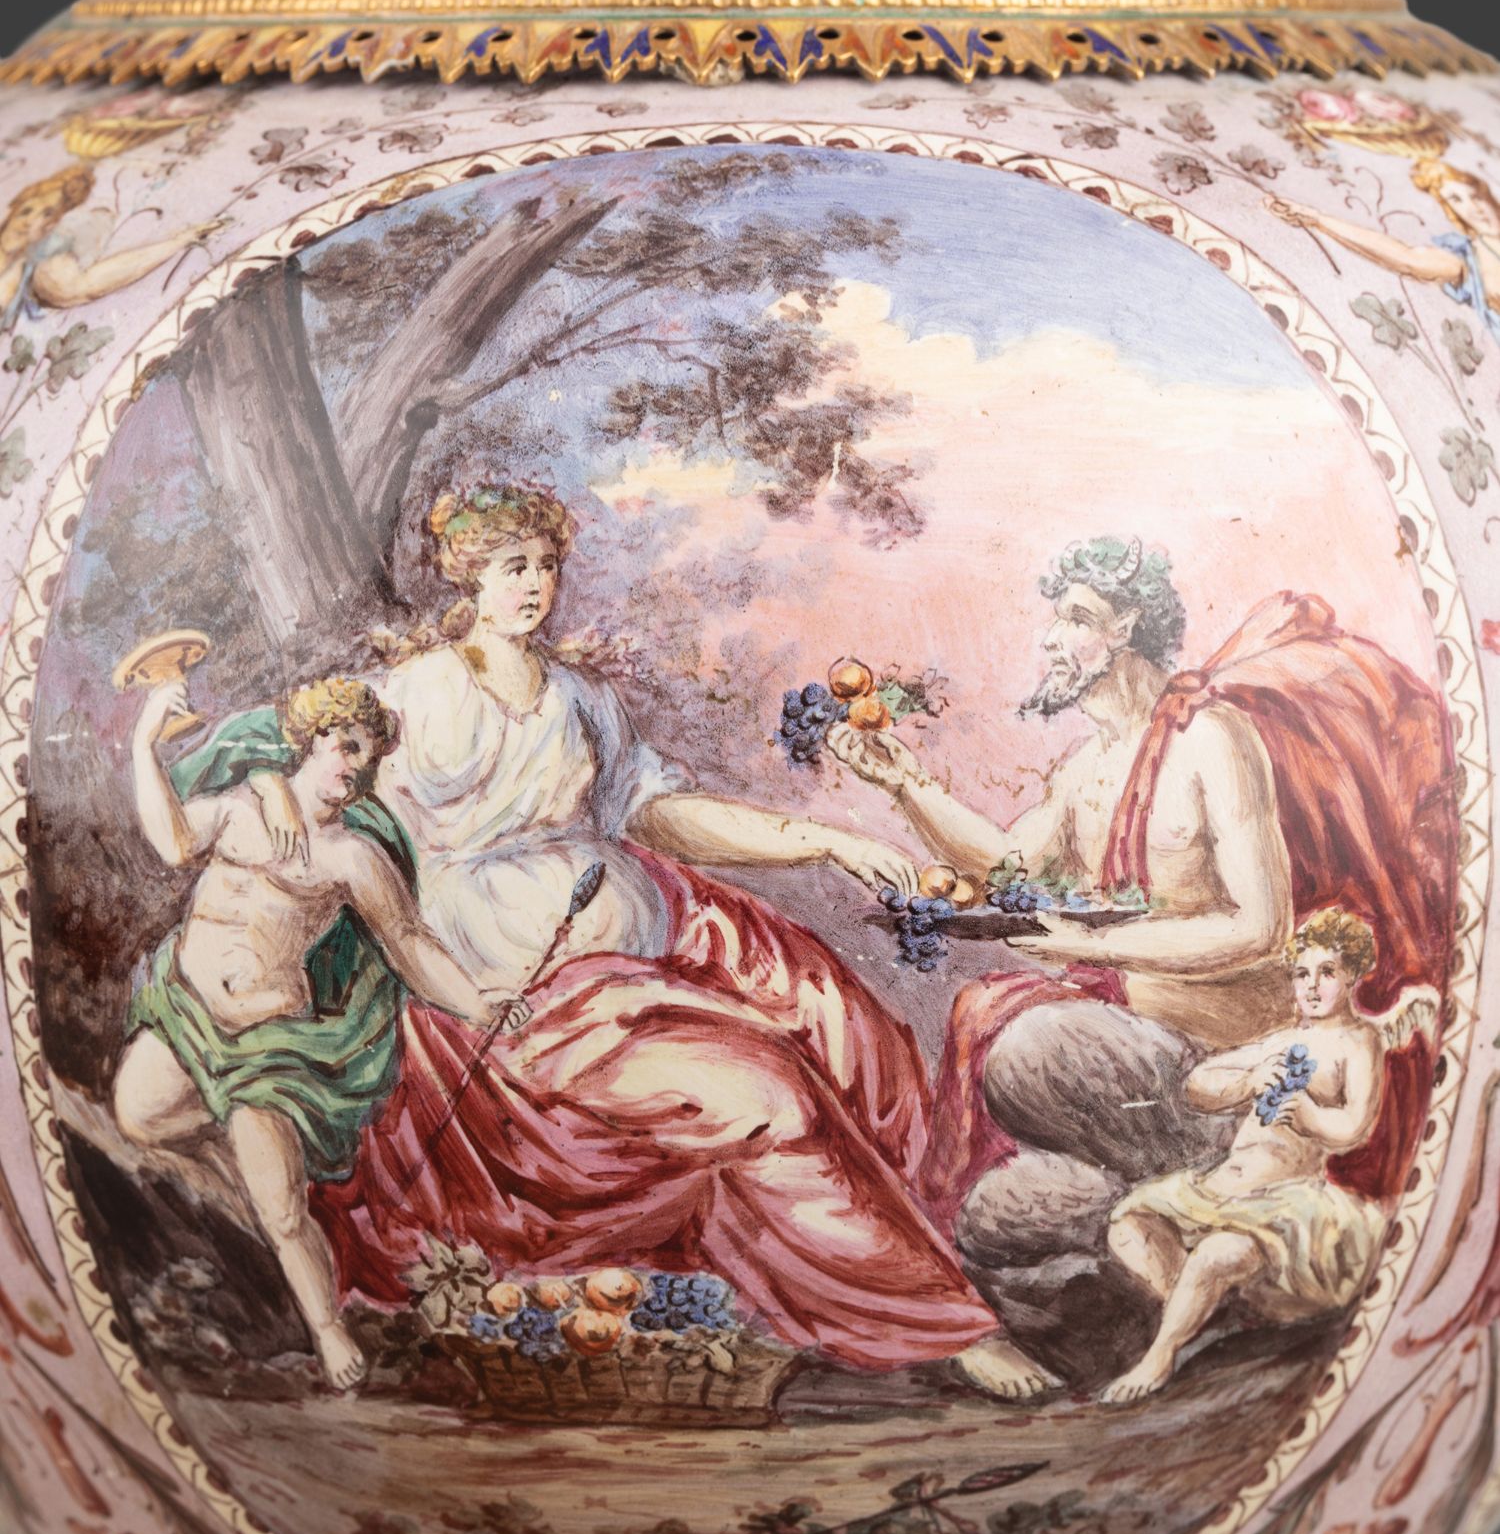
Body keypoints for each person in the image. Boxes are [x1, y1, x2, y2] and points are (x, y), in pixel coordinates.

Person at [222, 485, 1030, 1397]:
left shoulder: (582, 698)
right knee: (765, 1095)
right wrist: (275, 813)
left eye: (546, 566)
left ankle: (929, 1248)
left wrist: (821, 839)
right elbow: (282, 763)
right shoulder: (409, 695)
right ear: (468, 577)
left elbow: (659, 812)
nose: (535, 585)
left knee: (842, 1027)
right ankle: (934, 1319)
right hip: (523, 987)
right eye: (513, 567)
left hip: (643, 940)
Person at [830, 538, 1456, 1389]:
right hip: (1138, 1089)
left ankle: (1217, 1244)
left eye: (1075, 619)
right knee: (995, 1215)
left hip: (1224, 1085)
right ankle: (1197, 1289)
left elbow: (1260, 926)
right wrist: (906, 785)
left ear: (1127, 626)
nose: (1051, 639)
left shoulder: (1211, 739)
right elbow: (1012, 867)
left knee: (1027, 1048)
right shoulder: (1088, 766)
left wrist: (1091, 947)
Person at [114, 674, 530, 1392]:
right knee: (136, 1115)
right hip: (189, 1013)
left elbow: (408, 941)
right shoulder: (242, 809)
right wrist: (143, 744)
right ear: (311, 740)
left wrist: (476, 1001)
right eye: (346, 747)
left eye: (367, 758)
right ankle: (231, 1147)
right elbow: (174, 842)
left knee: (280, 1211)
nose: (355, 769)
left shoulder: (351, 856)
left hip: (267, 1044)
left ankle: (328, 1329)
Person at [1101, 910, 1436, 1403]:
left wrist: (1308, 1114)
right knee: (1127, 1229)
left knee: (1217, 1255)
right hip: (1219, 1188)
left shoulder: (1358, 1041)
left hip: (1282, 1200)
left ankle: (1161, 1353)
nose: (1312, 986)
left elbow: (1353, 1128)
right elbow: (1197, 1085)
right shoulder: (1285, 1041)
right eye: (1302, 974)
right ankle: (1198, 1313)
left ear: (1351, 976)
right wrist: (1248, 1081)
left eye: (1326, 972)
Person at [1266, 161, 1500, 341]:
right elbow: (1405, 257)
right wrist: (1318, 219)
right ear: (1451, 210)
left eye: (1476, 196)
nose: (1474, 208)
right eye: (1457, 200)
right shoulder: (1466, 261)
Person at [0, 164, 223, 330]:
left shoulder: (45, 272)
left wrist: (177, 242)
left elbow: (85, 285)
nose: (29, 222)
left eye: (48, 214)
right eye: (26, 211)